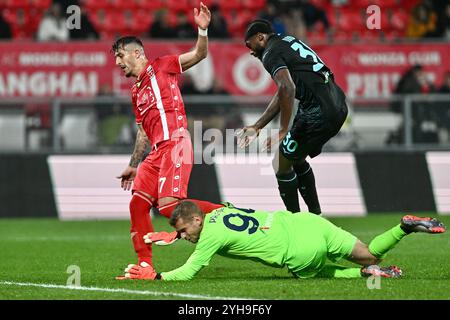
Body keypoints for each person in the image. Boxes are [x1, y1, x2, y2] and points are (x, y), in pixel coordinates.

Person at [112, 2, 217, 280]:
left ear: (137, 53)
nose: (118, 62)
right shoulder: (136, 92)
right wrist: (134, 164)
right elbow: (143, 131)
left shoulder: (162, 66)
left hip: (176, 143)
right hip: (156, 153)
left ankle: (226, 213)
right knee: (137, 204)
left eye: (121, 56)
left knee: (169, 207)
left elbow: (199, 54)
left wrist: (202, 30)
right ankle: (145, 264)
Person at [122, 200, 446, 280]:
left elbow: (190, 272)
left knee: (316, 274)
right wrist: (180, 237)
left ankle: (365, 275)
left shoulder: (210, 236)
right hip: (306, 222)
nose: (185, 236)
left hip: (299, 250)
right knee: (370, 253)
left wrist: (160, 275)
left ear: (196, 221)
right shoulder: (221, 213)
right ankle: (404, 227)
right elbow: (202, 215)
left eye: (185, 231)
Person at [237, 20, 348, 215]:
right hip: (337, 104)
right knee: (296, 159)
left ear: (261, 38)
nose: (251, 52)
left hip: (317, 111)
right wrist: (258, 125)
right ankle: (315, 216)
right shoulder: (287, 41)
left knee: (280, 163)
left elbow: (287, 88)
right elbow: (283, 91)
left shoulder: (270, 53)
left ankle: (294, 222)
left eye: (250, 45)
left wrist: (282, 129)